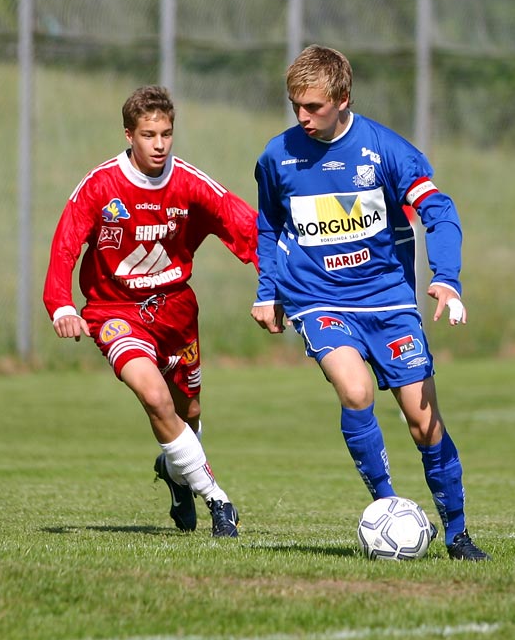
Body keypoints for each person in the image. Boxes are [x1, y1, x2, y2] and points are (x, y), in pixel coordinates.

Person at [251, 45, 488, 561]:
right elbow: (268, 225)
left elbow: (439, 212)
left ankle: (458, 534)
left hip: (387, 299)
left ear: (343, 98)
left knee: (424, 422)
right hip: (316, 297)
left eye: (312, 107)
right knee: (355, 391)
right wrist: (267, 290)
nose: (302, 117)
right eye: (295, 106)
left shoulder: (388, 151)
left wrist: (447, 280)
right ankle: (387, 510)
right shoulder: (277, 156)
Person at [43, 86, 257, 538]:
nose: (159, 144)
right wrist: (61, 303)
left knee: (188, 409)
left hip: (176, 309)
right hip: (113, 311)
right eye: (148, 135)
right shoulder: (101, 186)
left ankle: (176, 472)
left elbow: (242, 223)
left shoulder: (188, 181)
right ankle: (218, 500)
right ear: (129, 134)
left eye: (166, 134)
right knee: (155, 398)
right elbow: (64, 246)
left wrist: (278, 285)